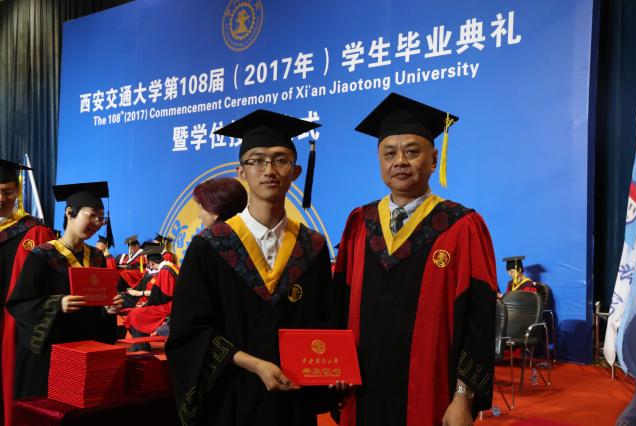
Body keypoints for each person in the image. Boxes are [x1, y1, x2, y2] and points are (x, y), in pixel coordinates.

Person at [333, 93, 497, 426]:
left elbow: (480, 321)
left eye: (411, 152)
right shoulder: (360, 223)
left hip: (431, 394)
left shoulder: (461, 226)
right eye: (389, 153)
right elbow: (338, 305)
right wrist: (334, 369)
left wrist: (463, 397)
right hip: (362, 392)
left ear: (434, 160)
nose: (400, 162)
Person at [166, 109, 337, 426]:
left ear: (295, 172)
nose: (269, 170)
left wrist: (334, 367)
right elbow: (190, 331)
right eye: (257, 160)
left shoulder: (311, 246)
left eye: (280, 160)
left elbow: (325, 321)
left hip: (293, 401)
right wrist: (254, 364)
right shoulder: (210, 246)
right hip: (231, 397)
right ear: (241, 172)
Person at [6, 181, 123, 399]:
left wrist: (108, 308)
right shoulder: (42, 256)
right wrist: (57, 304)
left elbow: (97, 305)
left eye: (101, 218)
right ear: (70, 213)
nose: (97, 223)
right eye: (92, 215)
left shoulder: (97, 257)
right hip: (51, 352)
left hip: (86, 348)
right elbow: (19, 304)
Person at [0, 159, 55, 426]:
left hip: (10, 324)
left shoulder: (35, 231)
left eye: (7, 192)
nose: (1, 198)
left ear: (18, 192)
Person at [124, 242, 179, 351]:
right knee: (137, 311)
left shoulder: (165, 271)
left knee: (135, 314)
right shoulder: (172, 266)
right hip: (174, 302)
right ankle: (141, 343)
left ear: (151, 263)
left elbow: (163, 295)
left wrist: (146, 304)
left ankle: (141, 345)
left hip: (171, 306)